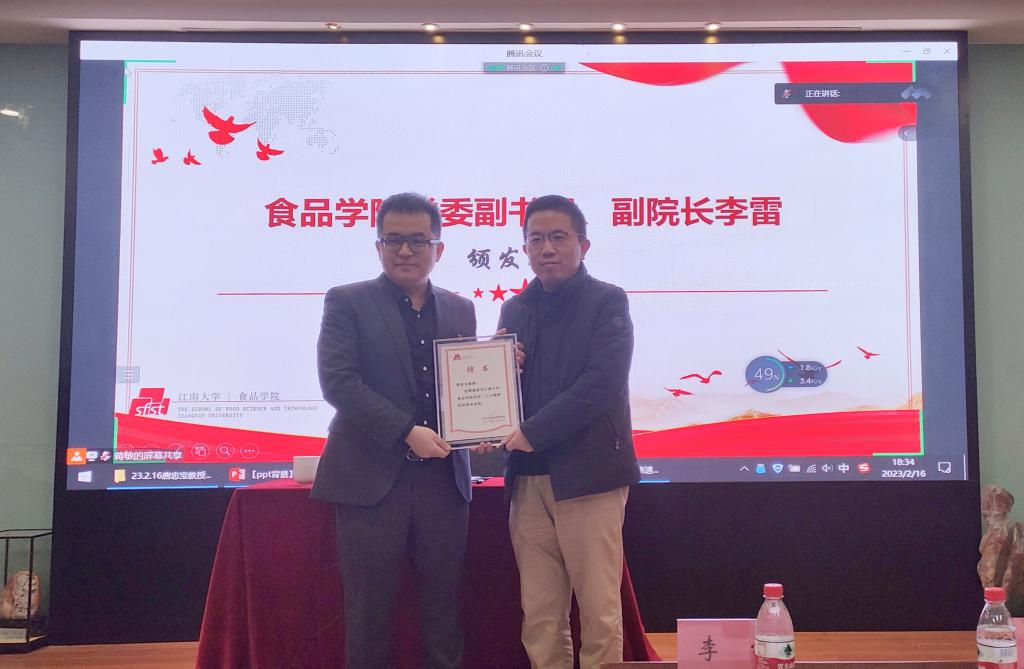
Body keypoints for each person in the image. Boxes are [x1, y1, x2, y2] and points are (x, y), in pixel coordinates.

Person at [311, 192, 475, 669]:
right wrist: (406, 430)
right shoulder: (347, 301)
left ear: (438, 248)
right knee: (368, 612)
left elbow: (465, 385)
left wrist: (486, 413)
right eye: (394, 240)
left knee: (443, 608)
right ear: (378, 246)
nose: (406, 250)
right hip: (370, 481)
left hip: (442, 482)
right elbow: (339, 382)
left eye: (418, 240)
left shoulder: (461, 309)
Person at [497, 194, 641, 669]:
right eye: (535, 239)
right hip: (527, 477)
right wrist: (503, 371)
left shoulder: (607, 301)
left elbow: (601, 383)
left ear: (584, 244)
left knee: (599, 612)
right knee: (540, 613)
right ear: (524, 248)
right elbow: (500, 392)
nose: (547, 248)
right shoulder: (515, 309)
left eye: (559, 237)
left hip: (589, 476)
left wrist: (533, 431)